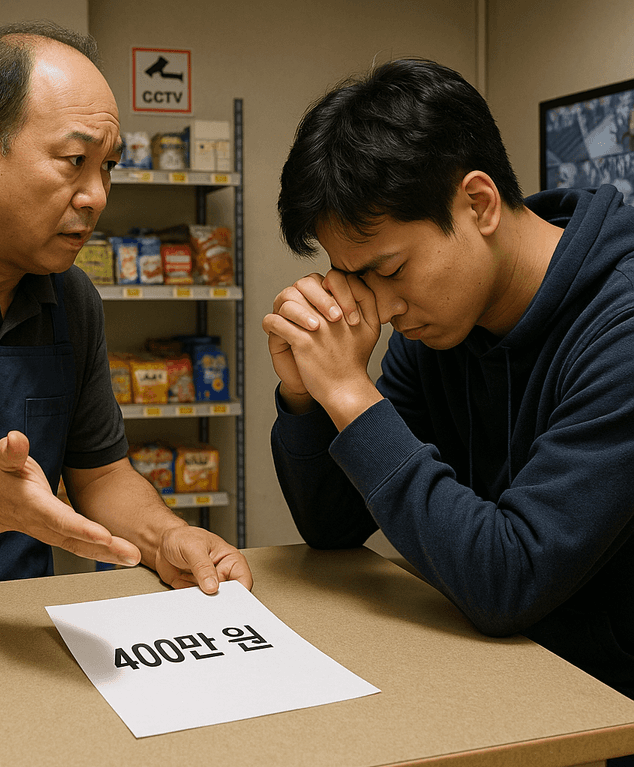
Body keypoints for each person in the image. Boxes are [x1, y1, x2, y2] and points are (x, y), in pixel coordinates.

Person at [264, 59, 634, 717]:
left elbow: (508, 576)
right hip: (508, 686)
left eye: (391, 269)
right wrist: (307, 397)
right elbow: (333, 526)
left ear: (478, 204)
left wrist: (351, 392)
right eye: (353, 278)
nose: (377, 308)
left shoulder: (620, 328)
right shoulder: (438, 326)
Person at [0, 21, 251, 597]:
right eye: (74, 160)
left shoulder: (71, 298)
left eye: (108, 167)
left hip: (21, 637)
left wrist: (167, 536)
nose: (96, 195)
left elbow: (101, 474)